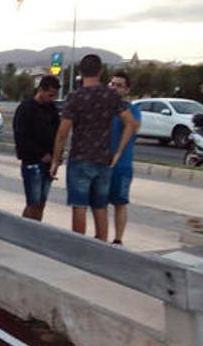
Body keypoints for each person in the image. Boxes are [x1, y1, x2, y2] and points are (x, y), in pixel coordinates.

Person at [51, 54, 139, 242]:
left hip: (80, 158)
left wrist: (55, 161)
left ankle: (80, 247)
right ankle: (101, 246)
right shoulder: (111, 96)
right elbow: (131, 124)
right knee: (100, 207)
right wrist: (118, 152)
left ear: (81, 72)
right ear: (100, 71)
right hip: (104, 160)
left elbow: (62, 133)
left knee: (79, 206)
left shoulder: (75, 97)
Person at [13, 75, 61, 221]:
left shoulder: (52, 109)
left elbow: (58, 134)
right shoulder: (25, 108)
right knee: (33, 202)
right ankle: (27, 231)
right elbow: (21, 137)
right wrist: (40, 154)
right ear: (41, 90)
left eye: (54, 96)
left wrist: (56, 157)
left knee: (41, 202)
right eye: (50, 95)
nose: (52, 98)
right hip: (32, 162)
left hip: (48, 163)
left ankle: (36, 229)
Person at [107, 71, 141, 245]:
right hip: (101, 163)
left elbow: (134, 128)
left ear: (127, 90)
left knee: (120, 203)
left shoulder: (132, 111)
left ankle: (118, 239)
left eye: (119, 85)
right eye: (112, 84)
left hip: (122, 165)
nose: (114, 88)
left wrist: (122, 109)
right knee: (99, 203)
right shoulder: (103, 107)